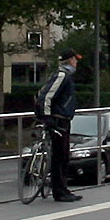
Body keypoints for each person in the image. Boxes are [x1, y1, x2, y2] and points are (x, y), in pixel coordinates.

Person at [36, 48, 83, 202]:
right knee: (60, 156)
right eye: (75, 60)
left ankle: (62, 188)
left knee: (62, 156)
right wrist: (47, 117)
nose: (76, 63)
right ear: (70, 60)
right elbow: (46, 96)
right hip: (58, 120)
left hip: (63, 120)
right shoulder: (62, 76)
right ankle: (59, 191)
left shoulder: (64, 76)